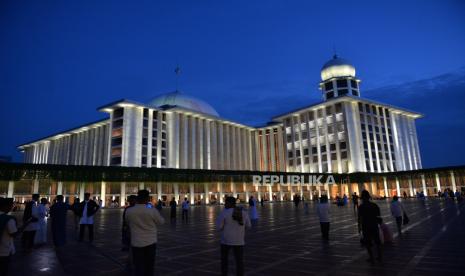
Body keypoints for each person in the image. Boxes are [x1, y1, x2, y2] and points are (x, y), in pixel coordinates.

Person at [125, 190, 165, 276]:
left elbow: (127, 222)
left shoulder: (129, 211)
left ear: (137, 198)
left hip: (136, 242)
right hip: (150, 241)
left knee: (138, 266)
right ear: (147, 198)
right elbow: (161, 222)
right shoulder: (151, 210)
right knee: (149, 266)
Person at [216, 196, 251, 276]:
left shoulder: (224, 213)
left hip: (226, 241)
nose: (225, 204)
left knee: (224, 261)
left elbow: (218, 227)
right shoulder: (244, 213)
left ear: (229, 203)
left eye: (225, 203)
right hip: (239, 241)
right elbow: (249, 226)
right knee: (239, 262)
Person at [358, 190, 382, 264]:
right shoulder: (374, 205)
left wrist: (359, 227)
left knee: (368, 243)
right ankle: (379, 256)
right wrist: (379, 224)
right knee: (377, 242)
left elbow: (360, 218)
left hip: (366, 226)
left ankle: (371, 257)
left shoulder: (361, 207)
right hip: (374, 225)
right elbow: (379, 216)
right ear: (369, 197)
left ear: (362, 198)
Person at [0, 198, 19, 276]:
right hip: (4, 250)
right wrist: (27, 224)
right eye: (10, 206)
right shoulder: (8, 219)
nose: (11, 207)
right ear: (5, 206)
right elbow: (14, 234)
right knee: (4, 270)